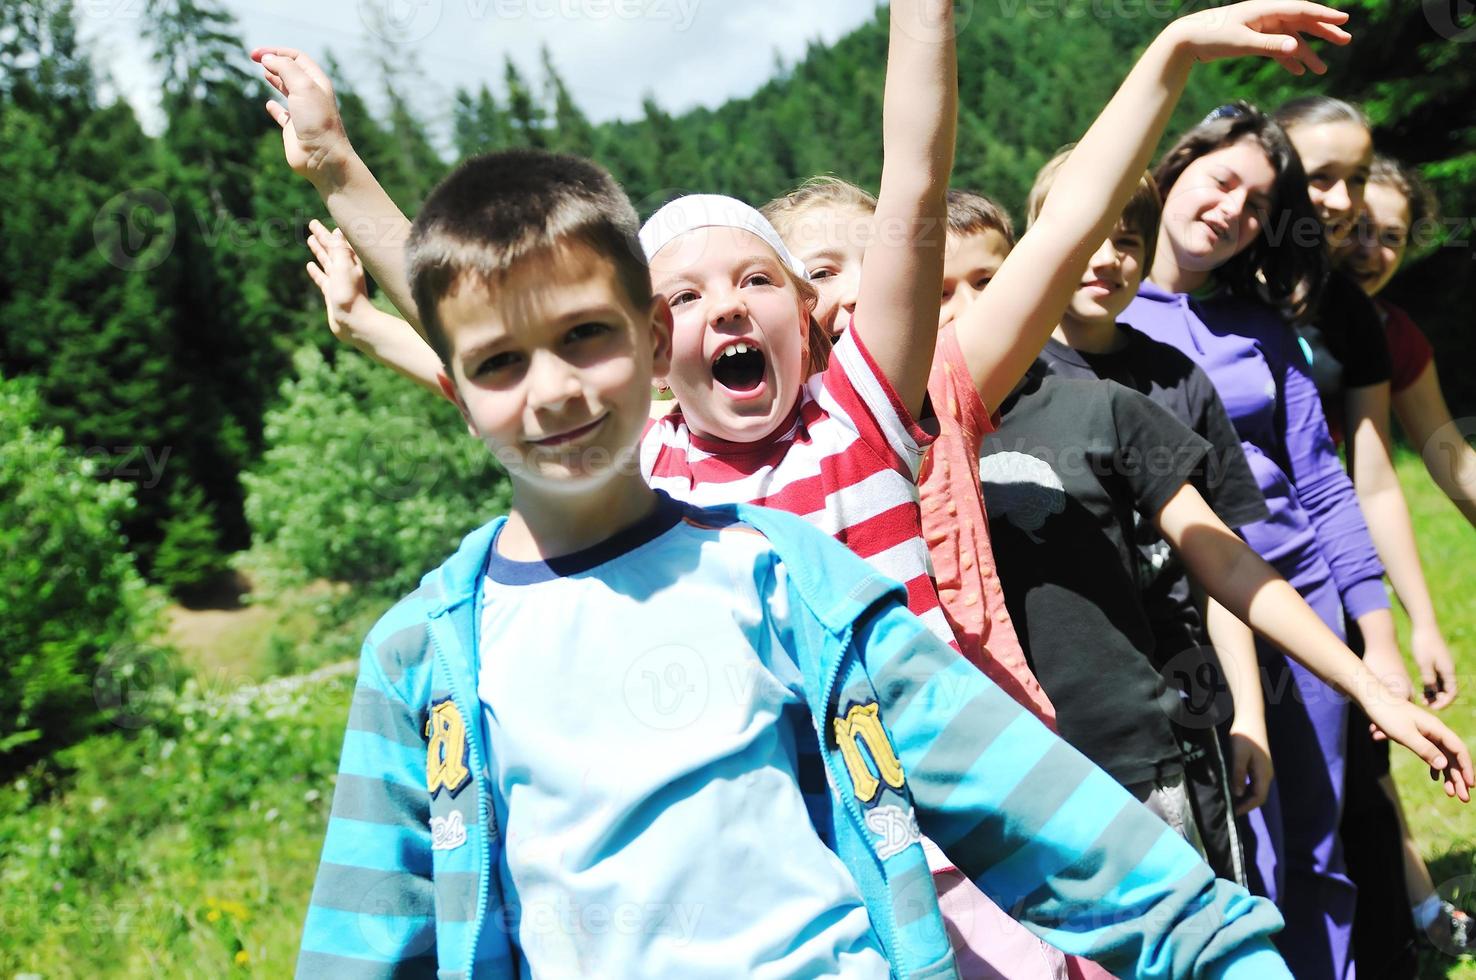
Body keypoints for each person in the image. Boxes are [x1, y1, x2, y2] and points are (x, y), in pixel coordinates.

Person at [298, 146, 1301, 978]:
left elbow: (1049, 819)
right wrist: (338, 166)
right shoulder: (423, 661)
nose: (553, 390)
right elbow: (366, 937)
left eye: (586, 336)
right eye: (500, 364)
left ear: (648, 344)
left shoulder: (791, 577)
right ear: (457, 385)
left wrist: (1221, 947)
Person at [1117, 99, 1413, 979]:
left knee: (1320, 843)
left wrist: (1379, 635)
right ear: (1174, 168)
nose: (1234, 211)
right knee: (1244, 847)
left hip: (1302, 599)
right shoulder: (1101, 314)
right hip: (1182, 615)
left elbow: (1323, 482)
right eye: (1223, 181)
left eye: (1257, 203)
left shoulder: (1261, 327)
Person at [1022, 154, 1267, 888]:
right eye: (1088, 234)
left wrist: (1249, 714)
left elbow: (1223, 565)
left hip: (1189, 703)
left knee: (1218, 895)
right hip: (1071, 712)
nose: (1107, 258)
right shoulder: (1011, 381)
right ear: (1043, 235)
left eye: (1129, 240)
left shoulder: (1179, 379)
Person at [1342, 153, 1476, 958]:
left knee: (1371, 746)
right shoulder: (1263, 309)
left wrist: (1419, 617)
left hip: (1351, 572)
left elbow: (1443, 451)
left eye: (1390, 237)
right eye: (1358, 229)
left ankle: (1419, 911)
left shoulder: (1392, 334)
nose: (1370, 249)